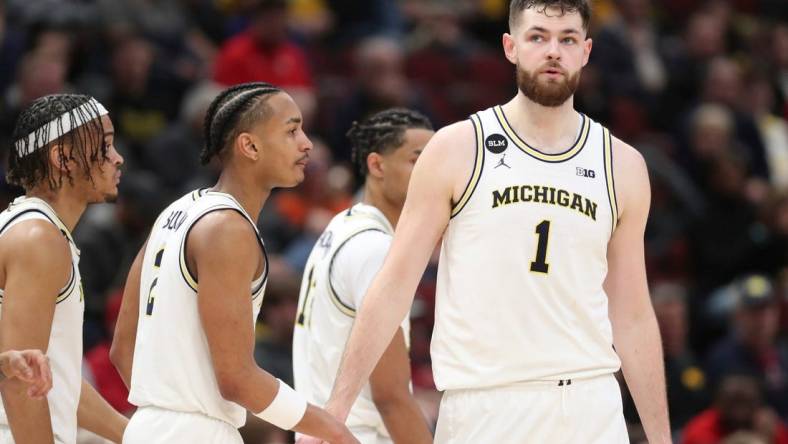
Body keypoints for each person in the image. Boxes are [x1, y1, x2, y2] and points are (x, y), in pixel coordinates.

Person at [300, 1, 671, 443]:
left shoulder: (623, 165)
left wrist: (661, 437)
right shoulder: (458, 147)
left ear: (586, 51)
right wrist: (333, 412)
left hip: (590, 404)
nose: (553, 51)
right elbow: (394, 285)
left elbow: (632, 313)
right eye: (538, 37)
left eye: (567, 39)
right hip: (485, 404)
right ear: (510, 46)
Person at [110, 82, 358, 444]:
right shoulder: (228, 228)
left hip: (148, 428)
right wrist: (329, 428)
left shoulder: (175, 212)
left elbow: (123, 348)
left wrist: (169, 406)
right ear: (250, 145)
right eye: (292, 130)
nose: (306, 143)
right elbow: (236, 377)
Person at [293, 108, 434, 444]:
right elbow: (390, 397)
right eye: (417, 160)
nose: (432, 172)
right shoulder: (375, 248)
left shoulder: (341, 227)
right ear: (377, 165)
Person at [0, 93, 128, 443]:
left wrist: (134, 436)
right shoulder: (38, 239)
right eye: (105, 146)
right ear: (63, 158)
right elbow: (19, 382)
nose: (117, 159)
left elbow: (60, 383)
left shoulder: (36, 230)